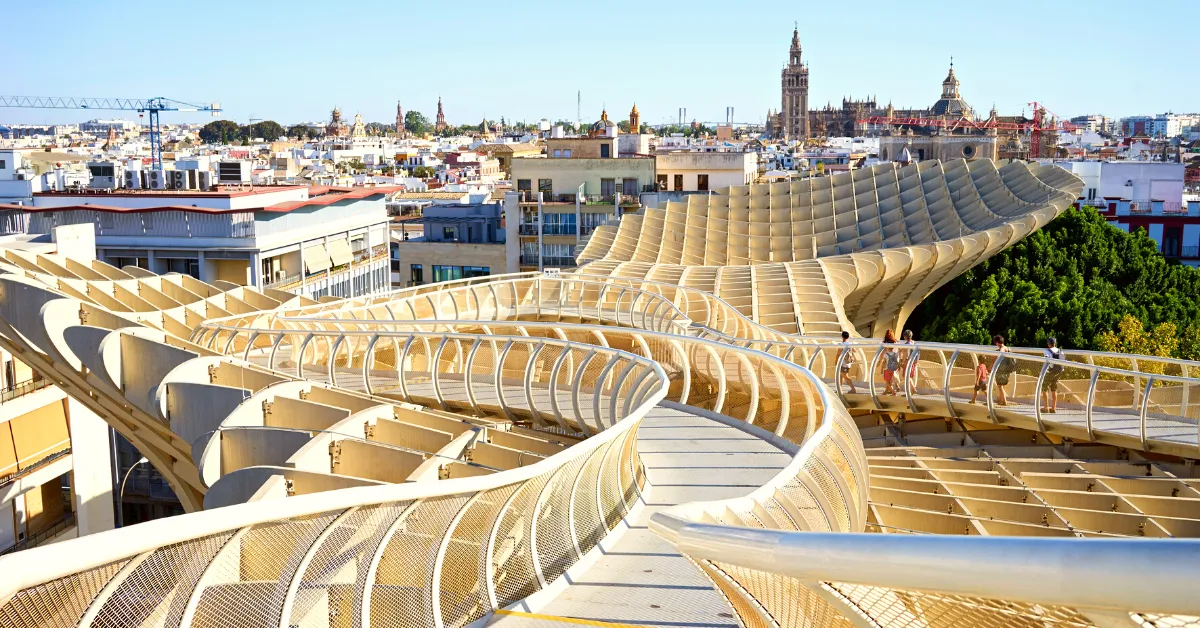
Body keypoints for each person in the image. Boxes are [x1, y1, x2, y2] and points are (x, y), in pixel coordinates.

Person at [1042, 336, 1065, 414]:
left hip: (1050, 372)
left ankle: (1046, 408)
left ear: (1048, 344)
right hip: (1059, 372)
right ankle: (1053, 408)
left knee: (1044, 387)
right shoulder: (1060, 351)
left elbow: (1046, 361)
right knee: (1054, 388)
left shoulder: (1047, 351)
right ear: (1055, 343)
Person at [992, 334, 1012, 406]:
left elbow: (997, 358)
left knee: (1000, 386)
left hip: (1001, 370)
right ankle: (1001, 400)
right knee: (1001, 386)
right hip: (1006, 369)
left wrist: (991, 367)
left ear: (997, 342)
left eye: (995, 343)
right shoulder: (1008, 348)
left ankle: (1004, 401)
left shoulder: (1002, 349)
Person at [882, 329, 900, 395]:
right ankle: (895, 387)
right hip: (895, 359)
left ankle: (890, 390)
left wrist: (880, 362)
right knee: (893, 375)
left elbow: (883, 352)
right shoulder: (895, 342)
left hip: (888, 361)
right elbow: (898, 350)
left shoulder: (886, 343)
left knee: (888, 378)